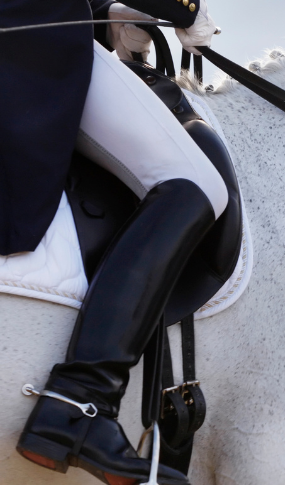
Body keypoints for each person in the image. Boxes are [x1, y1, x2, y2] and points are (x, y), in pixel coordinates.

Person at [0, 0, 226, 484]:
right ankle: (80, 401)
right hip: (25, 41)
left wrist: (107, 10)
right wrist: (177, 7)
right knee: (196, 184)